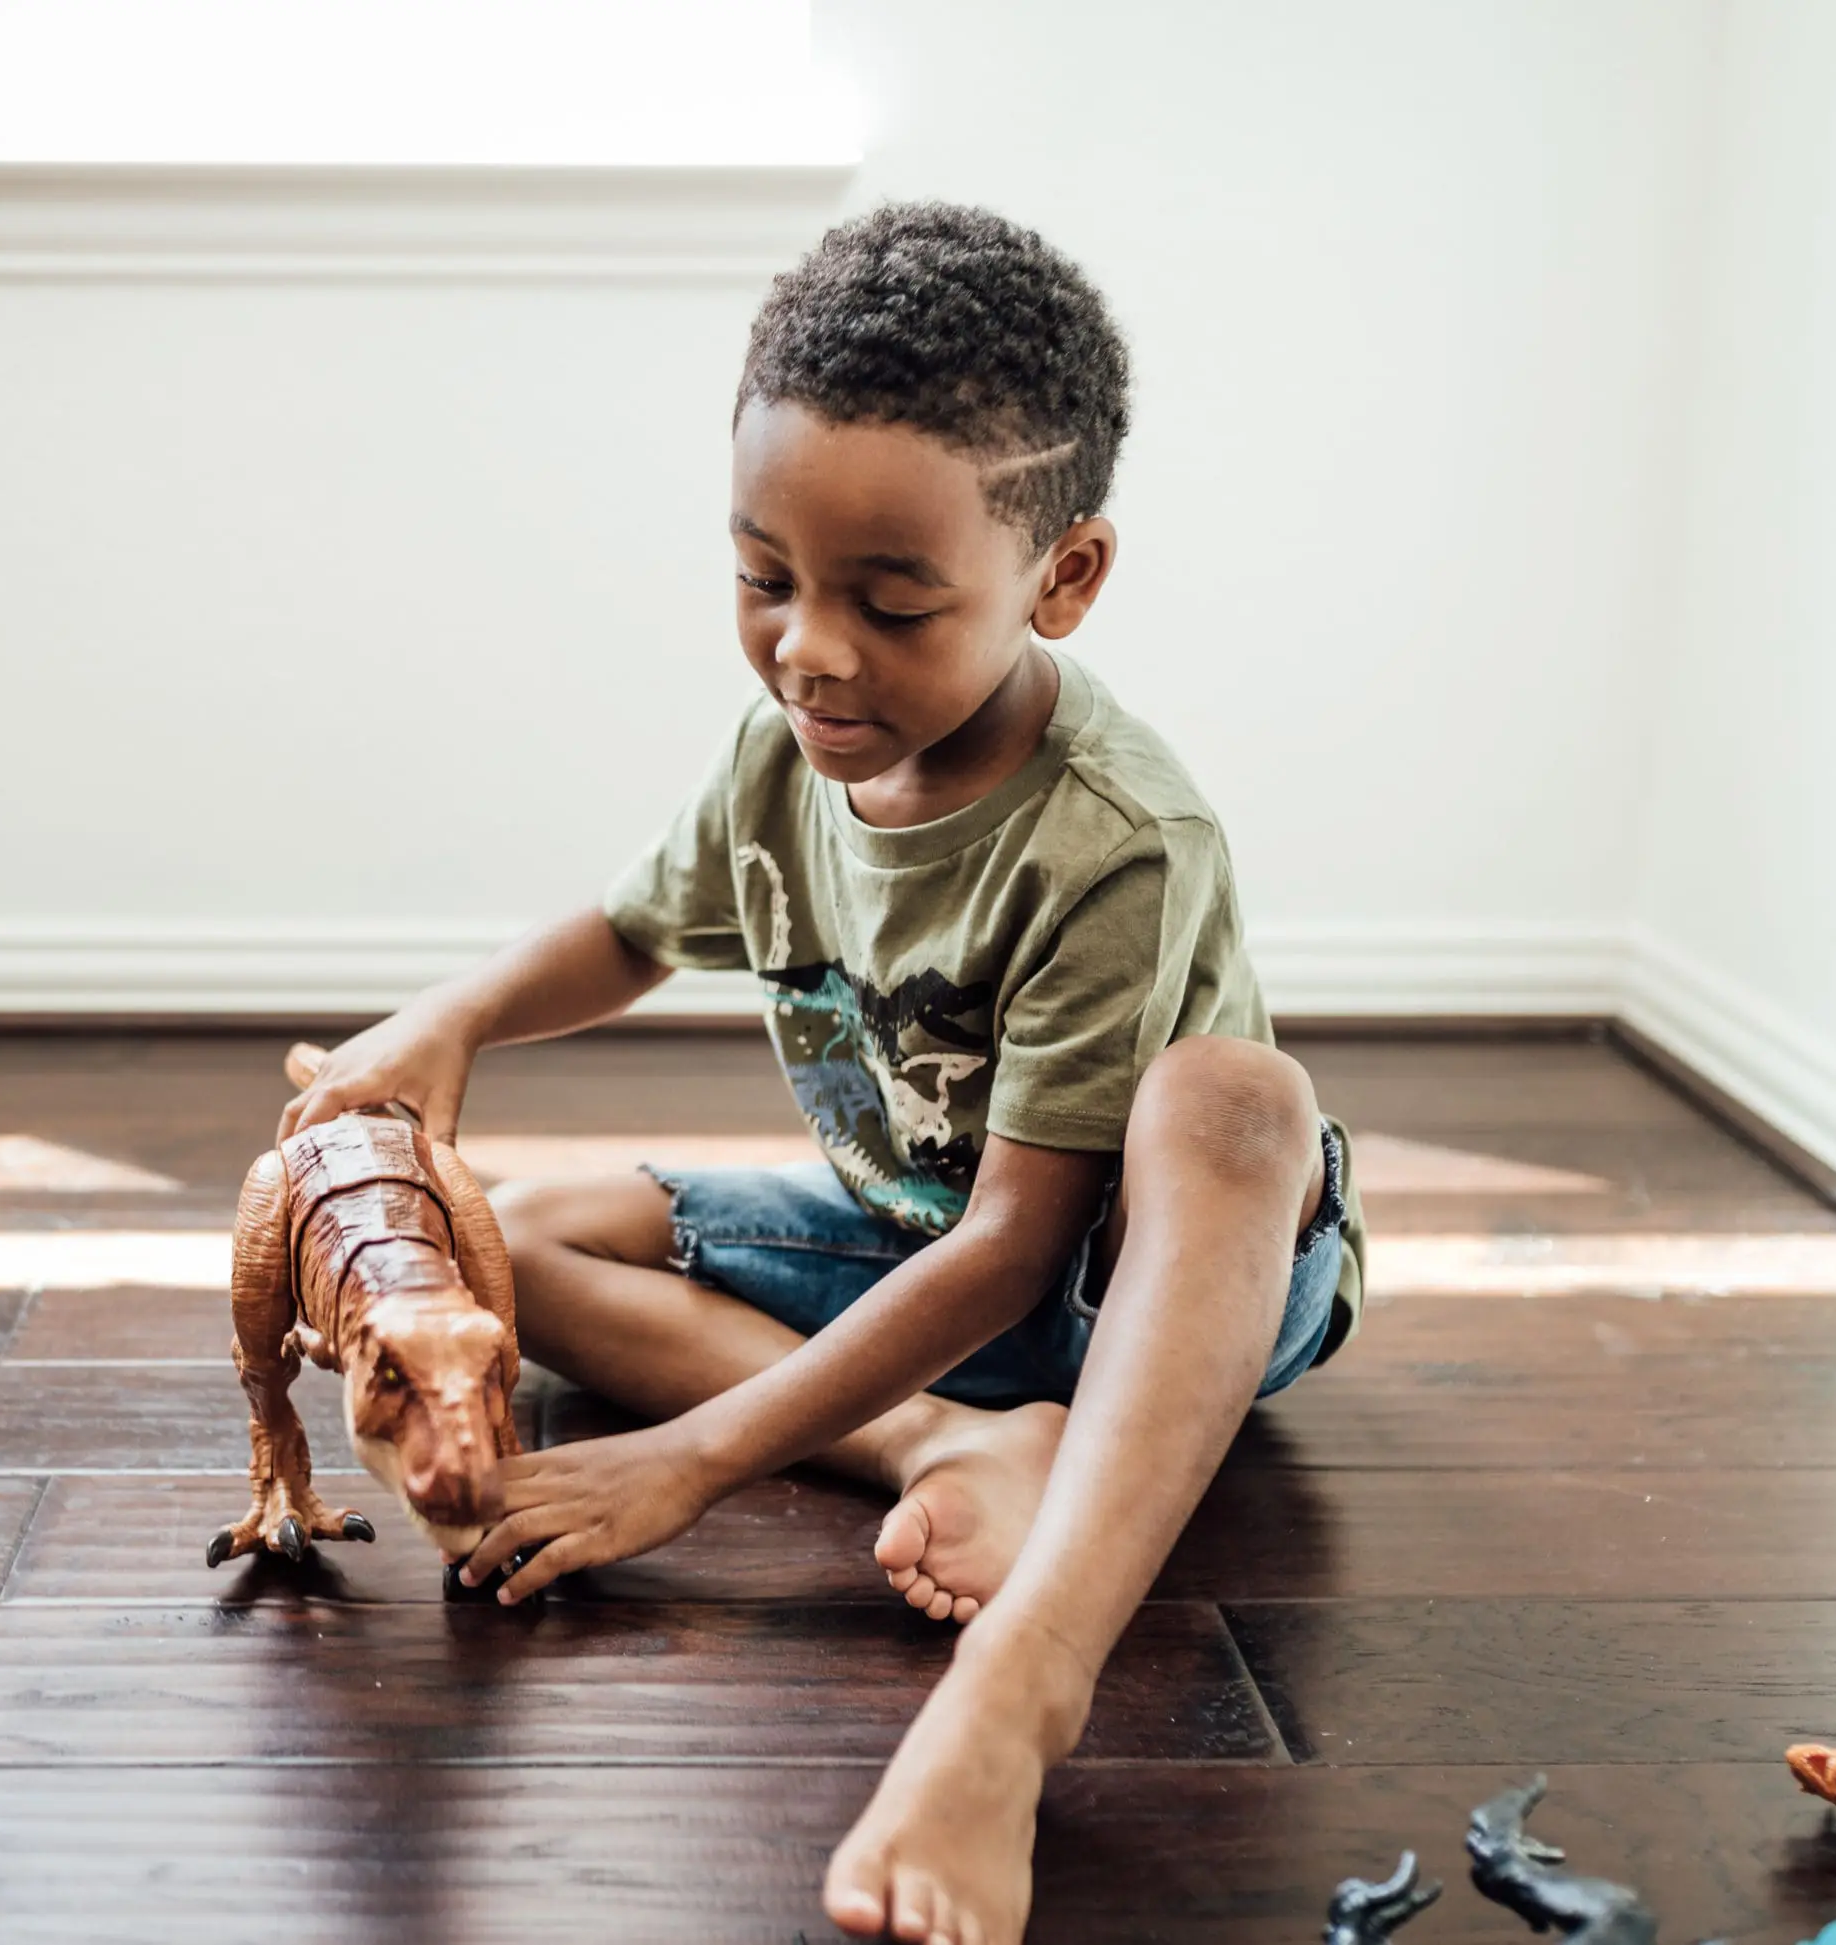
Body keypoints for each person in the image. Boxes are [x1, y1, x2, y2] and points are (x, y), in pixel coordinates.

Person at [280, 200, 1366, 1945]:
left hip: (1130, 1282)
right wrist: (451, 1020)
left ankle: (1015, 1693)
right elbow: (640, 930)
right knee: (512, 1236)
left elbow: (1017, 1245)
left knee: (1234, 1100)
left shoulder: (1118, 840)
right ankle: (959, 1439)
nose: (813, 651)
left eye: (893, 601)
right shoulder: (790, 753)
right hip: (919, 1246)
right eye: (763, 579)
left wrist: (694, 1460)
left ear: (1061, 578)